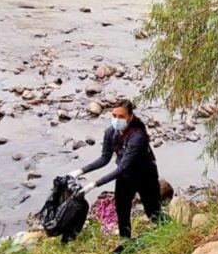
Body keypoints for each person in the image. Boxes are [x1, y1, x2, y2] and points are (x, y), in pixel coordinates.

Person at [69, 100, 161, 241]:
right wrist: (80, 171)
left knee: (153, 212)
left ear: (130, 117)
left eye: (121, 116)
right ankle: (126, 243)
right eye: (114, 115)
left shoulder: (138, 136)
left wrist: (94, 184)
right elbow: (104, 158)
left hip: (145, 177)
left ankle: (168, 233)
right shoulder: (111, 132)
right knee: (122, 212)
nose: (117, 120)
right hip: (125, 177)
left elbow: (122, 167)